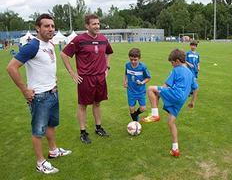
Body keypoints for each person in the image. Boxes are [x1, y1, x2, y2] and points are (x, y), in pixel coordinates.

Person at [6, 13, 71, 174]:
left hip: (52, 92)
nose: (51, 29)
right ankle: (40, 162)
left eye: (52, 26)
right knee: (38, 131)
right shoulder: (32, 46)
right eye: (46, 26)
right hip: (39, 97)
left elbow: (45, 65)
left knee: (51, 125)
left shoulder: (49, 44)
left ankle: (53, 150)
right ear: (38, 28)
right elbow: (11, 67)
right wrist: (24, 89)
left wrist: (53, 78)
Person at [60, 14, 113, 144]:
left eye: (98, 23)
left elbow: (109, 52)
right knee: (83, 105)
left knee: (97, 103)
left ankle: (98, 128)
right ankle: (83, 132)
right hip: (85, 78)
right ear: (87, 26)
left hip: (100, 78)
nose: (97, 26)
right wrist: (72, 72)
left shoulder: (103, 39)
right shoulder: (79, 39)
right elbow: (64, 54)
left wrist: (107, 68)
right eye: (94, 24)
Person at [141, 49, 198, 157]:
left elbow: (165, 86)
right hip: (182, 100)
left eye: (172, 63)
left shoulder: (176, 70)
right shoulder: (190, 74)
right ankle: (175, 149)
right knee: (171, 122)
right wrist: (192, 102)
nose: (172, 65)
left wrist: (158, 92)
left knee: (150, 89)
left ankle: (154, 115)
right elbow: (196, 88)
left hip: (176, 94)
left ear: (177, 61)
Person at [123, 48, 151, 121]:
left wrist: (142, 82)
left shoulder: (143, 67)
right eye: (131, 59)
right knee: (131, 108)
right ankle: (135, 123)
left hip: (141, 91)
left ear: (139, 58)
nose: (133, 61)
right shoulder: (127, 65)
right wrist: (125, 81)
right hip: (131, 90)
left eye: (135, 60)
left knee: (143, 108)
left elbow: (148, 78)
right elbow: (126, 73)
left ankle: (135, 115)